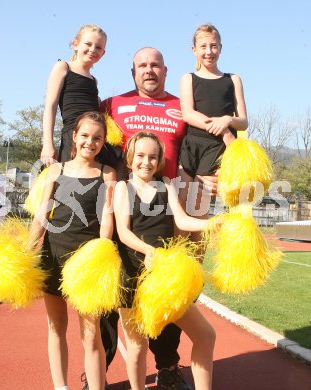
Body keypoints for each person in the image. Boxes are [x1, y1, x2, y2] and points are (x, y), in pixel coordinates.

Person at [99, 47, 217, 389]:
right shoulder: (112, 105)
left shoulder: (183, 109)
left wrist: (211, 207)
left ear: (165, 70)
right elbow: (87, 136)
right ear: (133, 71)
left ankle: (168, 367)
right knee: (132, 342)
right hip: (132, 258)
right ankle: (99, 373)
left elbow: (202, 148)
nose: (147, 161)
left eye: (155, 65)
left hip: (166, 251)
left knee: (194, 329)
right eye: (142, 65)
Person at [114, 132, 215, 390]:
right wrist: (149, 251)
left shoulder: (167, 185)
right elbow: (123, 232)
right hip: (132, 277)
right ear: (130, 158)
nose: (146, 162)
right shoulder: (122, 188)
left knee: (205, 335)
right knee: (137, 346)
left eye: (153, 157)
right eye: (140, 156)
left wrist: (211, 223)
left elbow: (181, 220)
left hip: (163, 278)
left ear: (159, 161)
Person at [29, 112, 116, 390]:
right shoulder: (55, 171)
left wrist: (101, 256)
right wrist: (29, 247)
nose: (90, 142)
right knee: (56, 327)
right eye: (85, 136)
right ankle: (61, 387)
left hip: (87, 264)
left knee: (91, 336)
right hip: (53, 256)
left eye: (97, 138)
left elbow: (107, 218)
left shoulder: (107, 173)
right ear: (74, 137)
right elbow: (42, 213)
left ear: (103, 142)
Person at [177, 23, 248, 258]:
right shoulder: (188, 78)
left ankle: (195, 269)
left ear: (221, 48)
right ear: (194, 49)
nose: (209, 51)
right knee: (180, 203)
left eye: (214, 46)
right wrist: (218, 126)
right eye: (203, 46)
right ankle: (176, 261)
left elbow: (243, 121)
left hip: (216, 151)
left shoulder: (233, 79)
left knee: (199, 210)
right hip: (191, 146)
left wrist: (227, 119)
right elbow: (188, 114)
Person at [41, 24, 107, 166]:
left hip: (94, 138)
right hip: (73, 137)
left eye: (98, 47)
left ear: (103, 53)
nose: (92, 50)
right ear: (75, 45)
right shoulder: (63, 67)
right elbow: (50, 107)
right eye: (88, 44)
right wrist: (48, 144)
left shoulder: (94, 80)